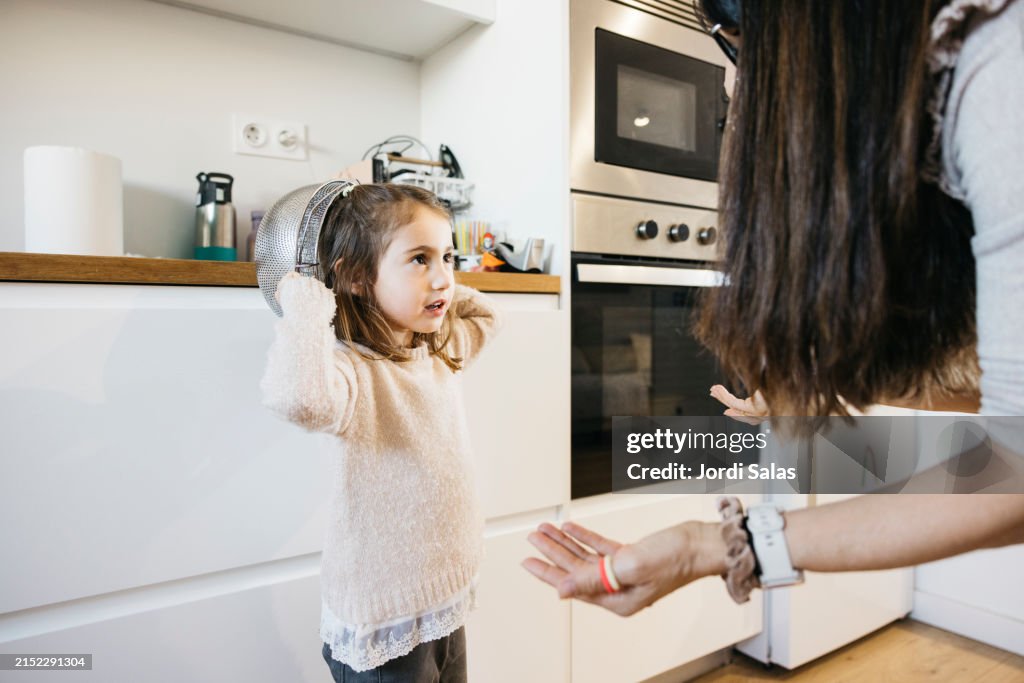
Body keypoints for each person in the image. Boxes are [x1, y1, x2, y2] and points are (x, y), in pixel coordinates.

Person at [524, 0, 1024, 614]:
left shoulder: (1000, 67)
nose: (738, 86)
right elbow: (1001, 392)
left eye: (737, 41)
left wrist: (709, 547)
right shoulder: (946, 98)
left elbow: (1017, 464)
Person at [261, 183, 501, 681]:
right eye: (419, 259)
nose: (443, 277)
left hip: (443, 602)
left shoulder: (438, 351)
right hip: (385, 624)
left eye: (448, 257)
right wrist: (308, 304)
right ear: (355, 277)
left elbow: (486, 315)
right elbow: (299, 400)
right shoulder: (352, 371)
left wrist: (435, 289)